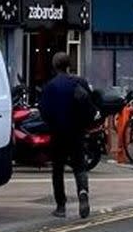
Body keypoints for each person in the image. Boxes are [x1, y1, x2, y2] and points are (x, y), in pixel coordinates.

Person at [39, 52, 94, 219]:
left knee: (57, 170)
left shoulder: (50, 86)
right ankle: (83, 193)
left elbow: (44, 111)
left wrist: (51, 125)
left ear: (55, 66)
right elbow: (90, 108)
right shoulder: (80, 83)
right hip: (77, 133)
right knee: (79, 166)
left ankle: (61, 206)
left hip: (58, 134)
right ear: (68, 65)